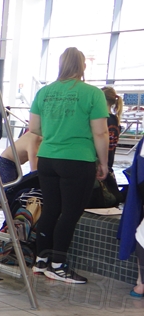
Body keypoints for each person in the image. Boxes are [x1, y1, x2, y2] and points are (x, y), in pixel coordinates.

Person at [29, 47, 109, 284]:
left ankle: (41, 261)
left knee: (51, 210)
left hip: (47, 159)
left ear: (61, 65)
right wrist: (104, 162)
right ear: (83, 66)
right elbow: (101, 132)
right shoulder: (92, 93)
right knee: (70, 213)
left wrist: (56, 132)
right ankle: (58, 265)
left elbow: (34, 128)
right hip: (77, 160)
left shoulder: (44, 92)